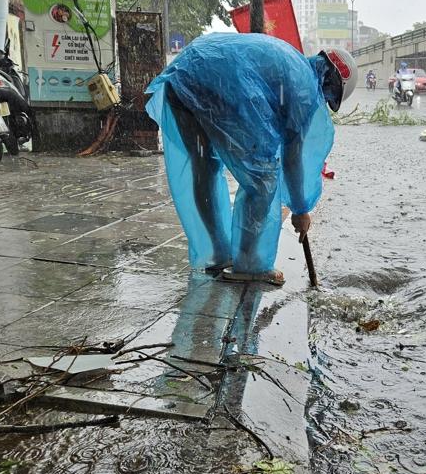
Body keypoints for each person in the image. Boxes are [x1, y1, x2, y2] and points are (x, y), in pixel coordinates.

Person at [146, 33, 357, 286]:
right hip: (214, 85)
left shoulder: (293, 62)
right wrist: (301, 210)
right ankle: (249, 265)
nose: (325, 100)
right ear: (330, 84)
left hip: (183, 77)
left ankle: (217, 256)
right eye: (331, 96)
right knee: (263, 178)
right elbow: (292, 159)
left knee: (204, 166)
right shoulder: (305, 90)